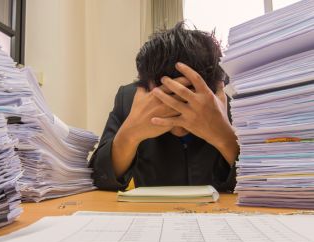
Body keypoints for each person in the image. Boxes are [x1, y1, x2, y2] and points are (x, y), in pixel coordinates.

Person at [89, 22, 239, 192]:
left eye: (189, 102)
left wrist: (226, 138)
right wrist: (129, 135)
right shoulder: (130, 100)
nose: (181, 122)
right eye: (168, 101)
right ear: (147, 87)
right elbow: (97, 179)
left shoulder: (234, 103)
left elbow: (267, 179)